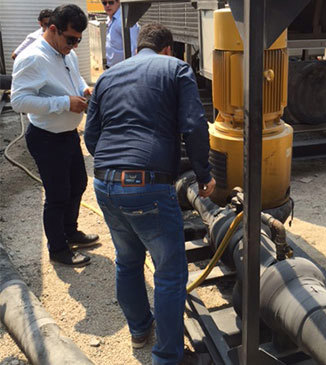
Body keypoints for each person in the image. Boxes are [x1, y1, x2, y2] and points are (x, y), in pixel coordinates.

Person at [84, 23, 213, 364]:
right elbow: (195, 124)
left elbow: (91, 136)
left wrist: (114, 168)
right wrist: (204, 174)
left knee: (127, 261)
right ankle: (167, 357)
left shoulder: (108, 77)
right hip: (147, 186)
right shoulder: (175, 68)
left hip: (104, 183)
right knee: (169, 272)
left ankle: (140, 329)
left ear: (139, 46)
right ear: (168, 48)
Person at [10, 4, 99, 267]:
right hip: (46, 138)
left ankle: (70, 232)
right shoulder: (34, 57)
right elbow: (19, 100)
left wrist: (84, 90)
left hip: (67, 134)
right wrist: (63, 103)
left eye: (78, 41)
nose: (73, 46)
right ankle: (58, 248)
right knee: (58, 194)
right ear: (52, 29)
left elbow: (76, 78)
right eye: (70, 39)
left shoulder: (66, 53)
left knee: (78, 184)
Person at [102, 0, 141, 69]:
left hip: (123, 70)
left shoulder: (123, 20)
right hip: (112, 68)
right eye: (104, 3)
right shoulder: (111, 19)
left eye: (111, 2)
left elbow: (133, 48)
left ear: (118, 2)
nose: (107, 5)